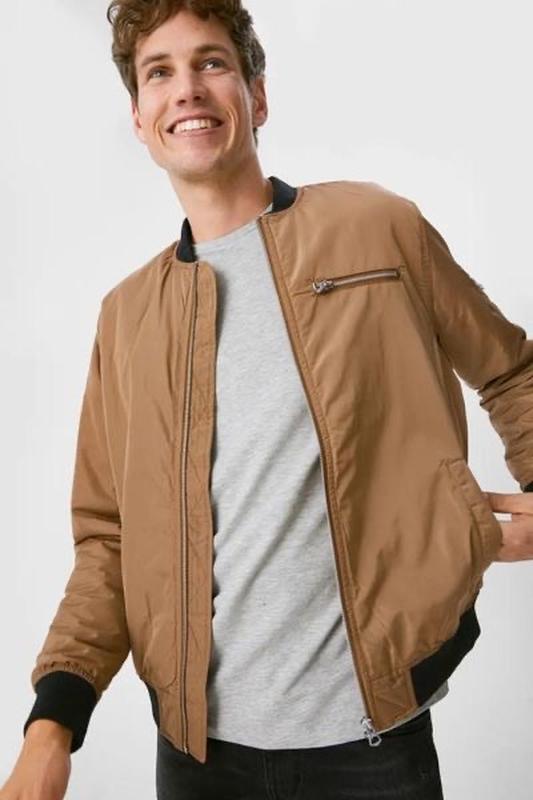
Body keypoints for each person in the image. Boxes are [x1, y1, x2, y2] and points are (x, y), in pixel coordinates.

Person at [2, 2, 533, 799]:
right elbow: (110, 538)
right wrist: (53, 723)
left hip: (373, 745)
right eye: (159, 73)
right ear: (140, 121)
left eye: (211, 62)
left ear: (256, 95)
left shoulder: (376, 229)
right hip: (198, 759)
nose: (187, 88)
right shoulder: (126, 317)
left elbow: (510, 370)